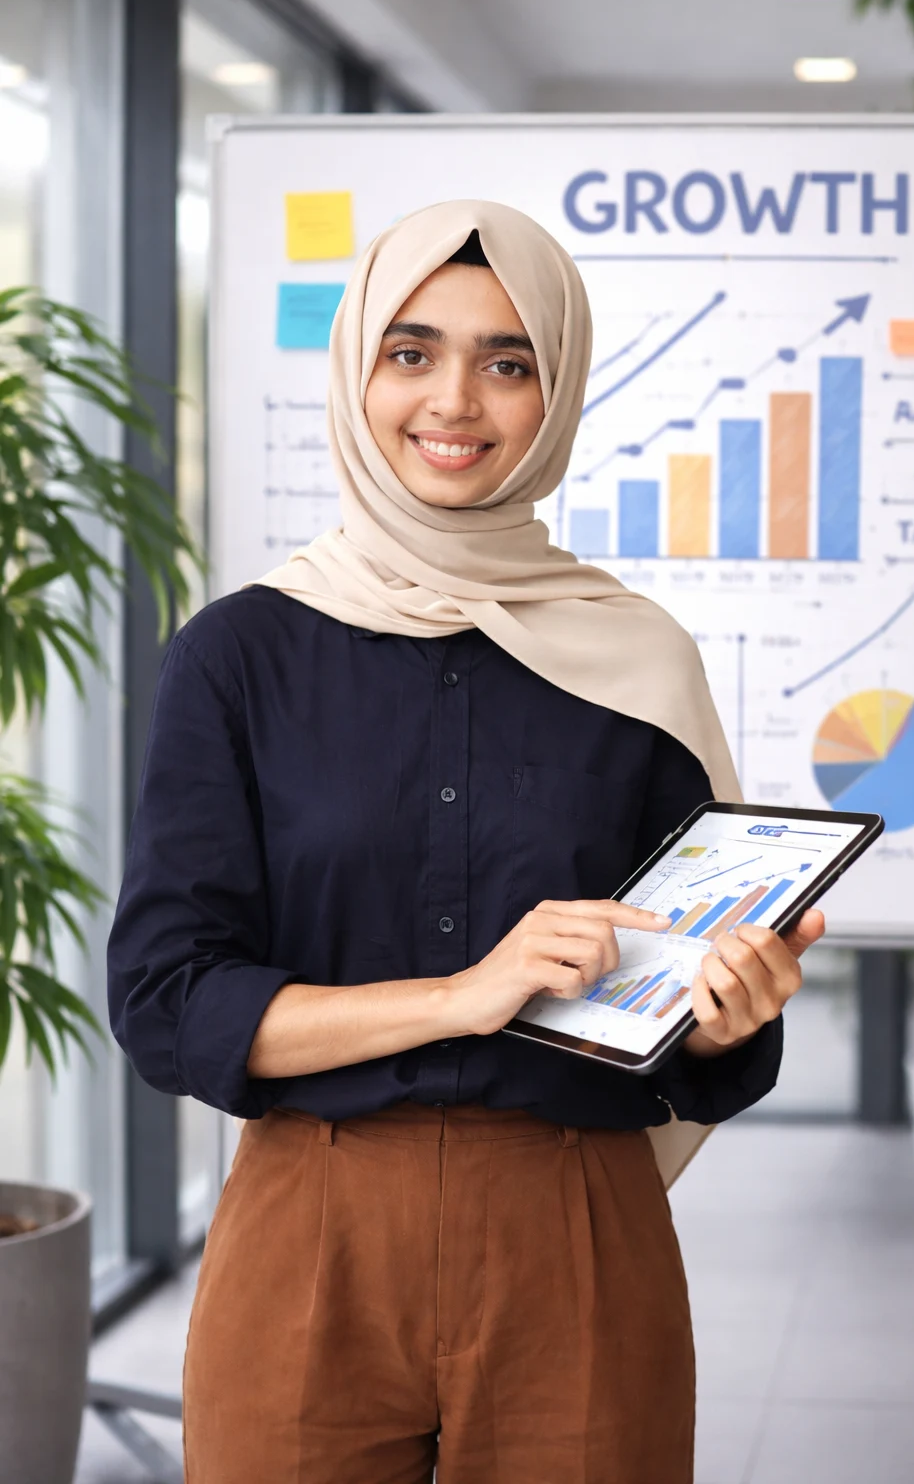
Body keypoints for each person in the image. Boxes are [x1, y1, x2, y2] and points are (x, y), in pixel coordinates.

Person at [108, 200, 822, 1484]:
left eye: (508, 362)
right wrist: (459, 996)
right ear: (359, 372)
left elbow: (689, 1009)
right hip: (308, 1227)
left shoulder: (637, 658)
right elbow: (169, 1002)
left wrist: (725, 1015)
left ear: (556, 391)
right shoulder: (240, 654)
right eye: (411, 351)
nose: (456, 401)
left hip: (575, 1230)